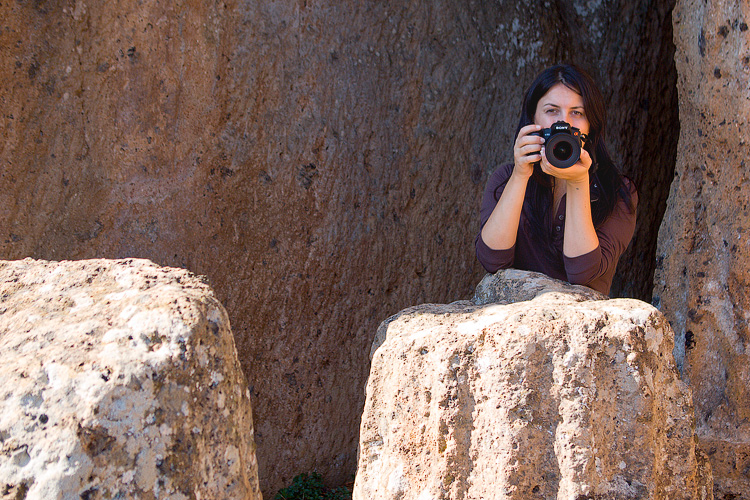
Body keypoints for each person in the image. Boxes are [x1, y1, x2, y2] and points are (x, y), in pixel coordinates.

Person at [475, 64, 637, 295]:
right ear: (533, 118)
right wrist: (521, 175)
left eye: (577, 113)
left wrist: (579, 182)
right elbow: (492, 260)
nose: (564, 123)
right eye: (552, 111)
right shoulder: (506, 179)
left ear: (590, 125)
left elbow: (583, 275)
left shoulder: (618, 191)